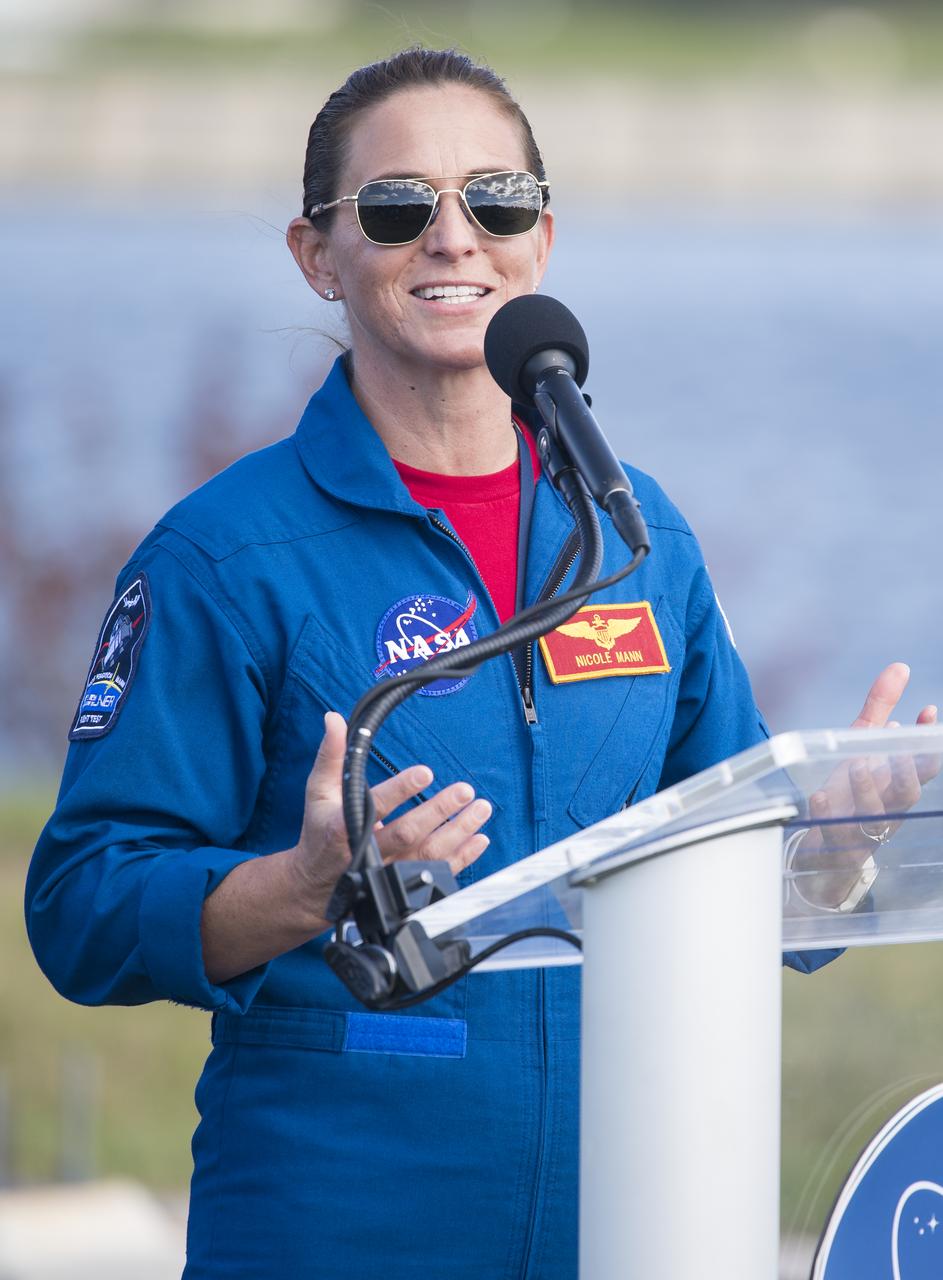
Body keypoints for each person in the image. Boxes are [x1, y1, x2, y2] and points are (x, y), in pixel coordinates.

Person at [25, 47, 937, 1280]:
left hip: (635, 1206)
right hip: (338, 1222)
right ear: (317, 255)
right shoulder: (225, 558)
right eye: (400, 207)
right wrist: (295, 886)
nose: (455, 237)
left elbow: (727, 845)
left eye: (493, 200)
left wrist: (829, 851)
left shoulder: (634, 536)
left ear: (539, 241)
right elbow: (81, 904)